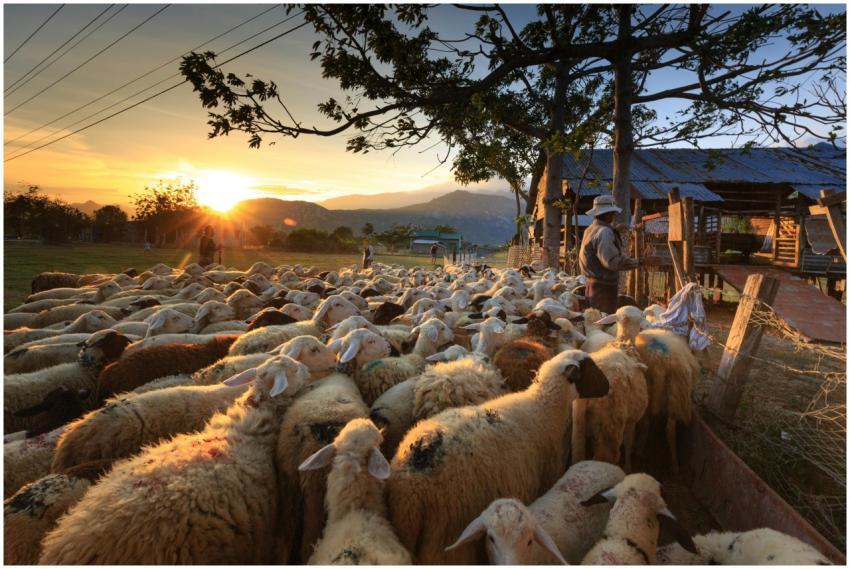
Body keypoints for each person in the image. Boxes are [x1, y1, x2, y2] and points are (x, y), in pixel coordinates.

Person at [578, 194, 640, 314]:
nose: (613, 216)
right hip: (603, 289)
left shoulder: (590, 229)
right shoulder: (605, 232)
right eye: (613, 214)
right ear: (608, 214)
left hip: (591, 285)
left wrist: (614, 230)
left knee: (594, 320)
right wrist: (639, 262)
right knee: (605, 321)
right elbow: (612, 262)